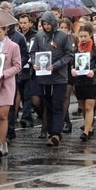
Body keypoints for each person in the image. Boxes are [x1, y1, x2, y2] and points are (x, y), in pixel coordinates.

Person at [30, 11, 74, 146]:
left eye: (49, 24)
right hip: (44, 77)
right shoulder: (39, 36)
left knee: (57, 104)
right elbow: (32, 53)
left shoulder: (63, 36)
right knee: (47, 104)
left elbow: (69, 54)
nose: (47, 26)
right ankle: (50, 131)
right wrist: (34, 63)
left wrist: (55, 65)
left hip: (59, 77)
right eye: (44, 24)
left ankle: (56, 132)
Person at [0, 26, 22, 157]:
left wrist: (4, 73)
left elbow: (17, 65)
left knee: (3, 115)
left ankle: (0, 143)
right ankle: (1, 140)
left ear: (5, 31)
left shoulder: (13, 46)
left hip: (6, 83)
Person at [71, 23, 96, 140]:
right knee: (83, 106)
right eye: (81, 36)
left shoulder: (95, 50)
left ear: (90, 35)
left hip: (91, 82)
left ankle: (86, 132)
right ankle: (88, 126)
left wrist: (93, 71)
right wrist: (72, 69)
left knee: (89, 107)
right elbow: (72, 63)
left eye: (85, 36)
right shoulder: (76, 50)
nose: (83, 39)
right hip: (79, 81)